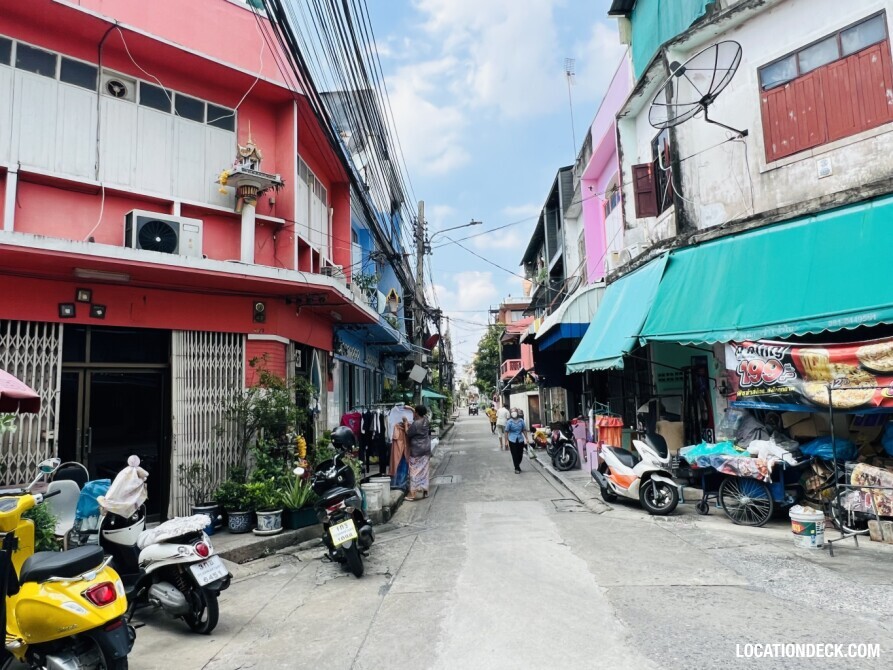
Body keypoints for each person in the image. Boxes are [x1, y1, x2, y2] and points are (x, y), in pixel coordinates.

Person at [404, 405, 432, 501]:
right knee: (424, 471)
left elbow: (408, 433)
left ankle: (413, 494)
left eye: (414, 412)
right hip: (426, 448)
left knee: (414, 471)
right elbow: (420, 412)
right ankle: (425, 491)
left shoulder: (416, 424)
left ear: (416, 413)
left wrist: (405, 423)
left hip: (417, 450)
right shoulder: (426, 420)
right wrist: (411, 408)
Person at [504, 408, 530, 474]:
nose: (514, 413)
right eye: (512, 412)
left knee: (520, 455)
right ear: (510, 414)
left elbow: (524, 430)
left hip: (520, 440)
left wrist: (527, 438)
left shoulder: (521, 421)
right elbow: (506, 432)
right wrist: (506, 441)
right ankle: (516, 468)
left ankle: (517, 465)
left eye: (515, 411)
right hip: (512, 440)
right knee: (514, 454)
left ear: (517, 413)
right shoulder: (509, 422)